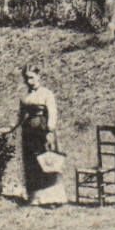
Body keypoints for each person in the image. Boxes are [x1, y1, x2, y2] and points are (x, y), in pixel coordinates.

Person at [15, 64, 66, 206]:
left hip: (42, 131)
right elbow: (20, 116)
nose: (29, 81)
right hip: (29, 133)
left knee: (46, 161)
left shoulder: (47, 94)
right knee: (32, 162)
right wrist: (11, 128)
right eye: (26, 79)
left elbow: (52, 113)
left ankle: (51, 198)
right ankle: (35, 197)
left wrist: (50, 131)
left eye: (31, 78)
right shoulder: (25, 96)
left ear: (39, 77)